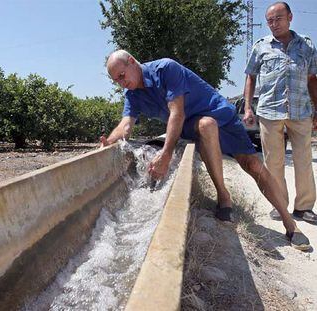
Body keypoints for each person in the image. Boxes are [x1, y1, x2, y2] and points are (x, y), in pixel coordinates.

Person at [101, 49, 311, 250]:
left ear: (132, 62)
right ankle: (223, 197)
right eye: (116, 81)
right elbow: (125, 125)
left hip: (223, 116)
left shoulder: (165, 68)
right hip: (196, 126)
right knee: (206, 125)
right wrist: (108, 142)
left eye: (122, 76)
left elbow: (177, 113)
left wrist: (165, 155)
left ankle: (289, 223)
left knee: (254, 164)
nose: (121, 83)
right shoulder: (132, 96)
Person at [244, 2, 317, 224]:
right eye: (270, 21)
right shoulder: (260, 46)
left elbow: (313, 78)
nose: (274, 24)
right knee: (273, 162)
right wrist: (248, 107)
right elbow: (250, 76)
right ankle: (279, 205)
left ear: (290, 17)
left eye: (278, 19)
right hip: (269, 111)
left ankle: (304, 207)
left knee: (303, 159)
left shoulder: (307, 46)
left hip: (301, 110)